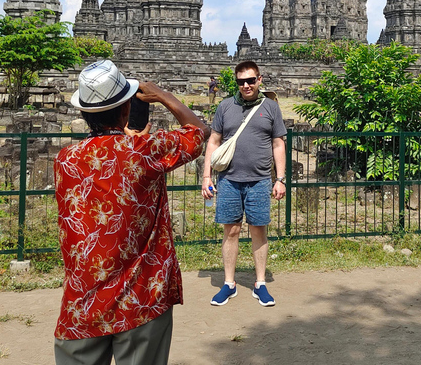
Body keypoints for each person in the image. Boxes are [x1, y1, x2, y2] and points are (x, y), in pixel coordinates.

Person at [53, 59, 207, 365]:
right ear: (125, 110)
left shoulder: (65, 159)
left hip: (83, 300)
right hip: (142, 295)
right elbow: (199, 132)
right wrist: (163, 95)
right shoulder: (145, 151)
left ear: (84, 112)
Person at [201, 60, 286, 307]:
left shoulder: (271, 107)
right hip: (228, 179)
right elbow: (213, 142)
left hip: (260, 179)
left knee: (259, 229)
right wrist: (206, 177)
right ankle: (229, 283)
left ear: (260, 80)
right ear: (236, 82)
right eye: (241, 82)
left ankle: (260, 283)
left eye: (251, 80)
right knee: (231, 230)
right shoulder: (225, 106)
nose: (246, 85)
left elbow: (278, 143)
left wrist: (279, 179)